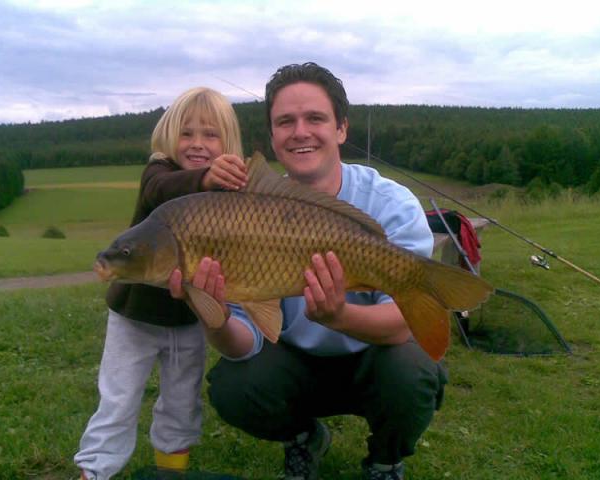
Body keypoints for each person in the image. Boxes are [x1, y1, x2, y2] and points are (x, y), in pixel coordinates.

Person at [169, 63, 447, 480]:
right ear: (274, 136)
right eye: (286, 122)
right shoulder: (241, 212)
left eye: (315, 118)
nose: (300, 131)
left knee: (414, 367)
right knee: (233, 385)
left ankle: (386, 460)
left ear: (341, 129)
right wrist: (215, 317)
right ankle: (303, 437)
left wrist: (340, 316)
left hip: (374, 361)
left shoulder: (391, 203)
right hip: (294, 366)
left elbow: (404, 325)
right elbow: (243, 345)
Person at [75, 87, 248, 480]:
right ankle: (94, 471)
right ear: (169, 136)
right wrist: (204, 178)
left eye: (210, 135)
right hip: (134, 317)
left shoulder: (231, 194)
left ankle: (171, 470)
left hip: (188, 319)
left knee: (182, 402)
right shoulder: (159, 173)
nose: (198, 144)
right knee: (118, 399)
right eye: (187, 133)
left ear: (228, 143)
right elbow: (163, 191)